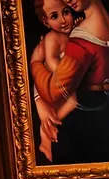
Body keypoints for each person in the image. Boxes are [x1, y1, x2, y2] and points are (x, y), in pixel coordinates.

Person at [30, 0, 109, 165]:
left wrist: (35, 63)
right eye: (54, 16)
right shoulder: (103, 19)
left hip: (94, 113)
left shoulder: (82, 36)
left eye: (65, 12)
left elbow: (55, 91)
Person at [33, 0, 79, 162]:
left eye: (65, 12)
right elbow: (51, 59)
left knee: (68, 103)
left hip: (60, 79)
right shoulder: (52, 37)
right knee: (72, 101)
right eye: (54, 16)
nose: (63, 20)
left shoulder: (73, 33)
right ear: (46, 22)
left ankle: (47, 135)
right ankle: (45, 131)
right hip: (49, 78)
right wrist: (64, 75)